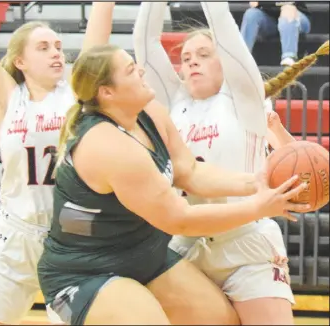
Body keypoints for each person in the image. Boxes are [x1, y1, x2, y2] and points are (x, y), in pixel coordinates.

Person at [37, 41, 309, 325]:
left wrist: (256, 183)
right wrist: (258, 207)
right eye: (131, 70)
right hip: (83, 273)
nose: (141, 70)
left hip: (143, 255)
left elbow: (189, 171)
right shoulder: (109, 146)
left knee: (220, 319)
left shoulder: (150, 113)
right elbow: (180, 220)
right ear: (107, 92)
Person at [133, 1, 328, 325]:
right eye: (185, 58)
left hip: (246, 244)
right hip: (187, 243)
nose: (192, 61)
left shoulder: (243, 99)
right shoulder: (172, 102)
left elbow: (223, 26)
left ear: (225, 60)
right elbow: (145, 43)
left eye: (205, 54)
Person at [0, 2, 116, 324]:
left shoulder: (76, 94)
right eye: (43, 48)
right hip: (13, 239)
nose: (56, 53)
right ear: (20, 61)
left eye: (58, 46)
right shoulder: (6, 98)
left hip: (68, 242)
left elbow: (100, 27)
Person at [240, 1, 311, 66]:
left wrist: (262, 3)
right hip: (270, 20)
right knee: (251, 13)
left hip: (296, 17)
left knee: (288, 9)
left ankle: (289, 56)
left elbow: (288, 2)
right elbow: (253, 3)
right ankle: (241, 57)